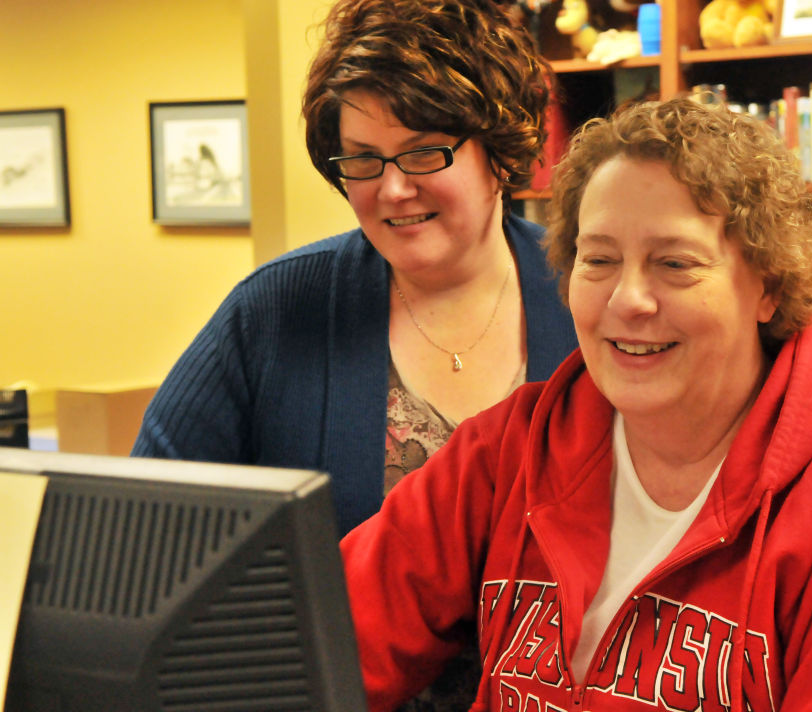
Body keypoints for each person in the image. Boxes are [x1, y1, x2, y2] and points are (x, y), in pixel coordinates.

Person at [339, 96, 812, 711]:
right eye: (599, 259)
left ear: (768, 286)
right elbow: (316, 643)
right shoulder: (510, 449)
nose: (628, 300)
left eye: (674, 263)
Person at [132, 0, 577, 537]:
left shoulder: (590, 293)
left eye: (423, 152)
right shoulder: (274, 310)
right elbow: (143, 522)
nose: (393, 189)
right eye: (364, 159)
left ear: (500, 151)